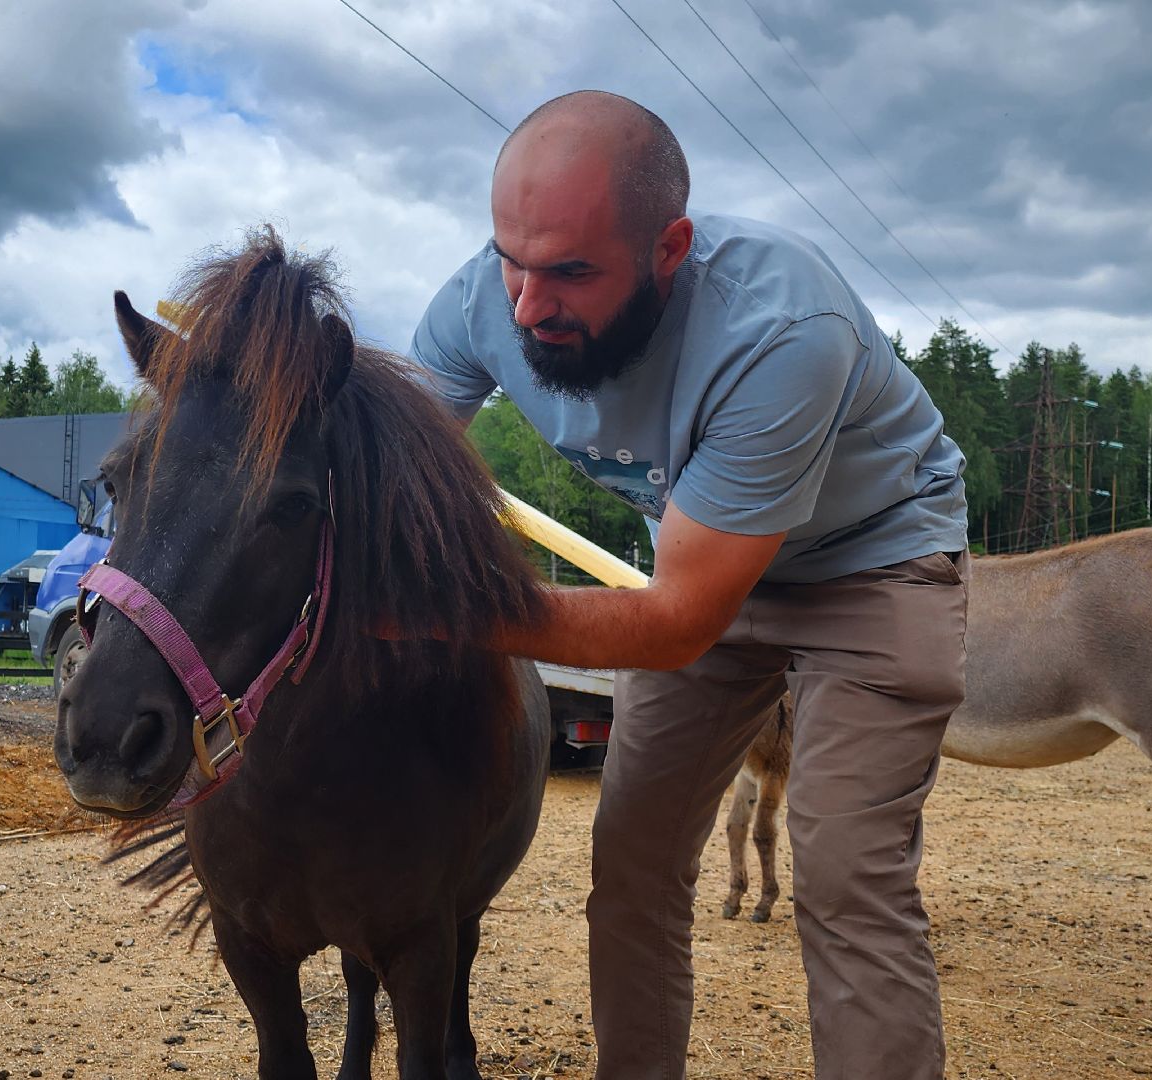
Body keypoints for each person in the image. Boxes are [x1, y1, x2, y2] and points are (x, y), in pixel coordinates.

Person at [408, 90, 968, 1079]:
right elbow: (382, 470)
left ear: (670, 248)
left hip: (873, 562)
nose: (528, 305)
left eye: (572, 272)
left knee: (845, 877)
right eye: (512, 259)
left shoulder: (781, 326)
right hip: (700, 563)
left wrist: (439, 611)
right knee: (633, 865)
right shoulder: (477, 303)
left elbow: (674, 625)